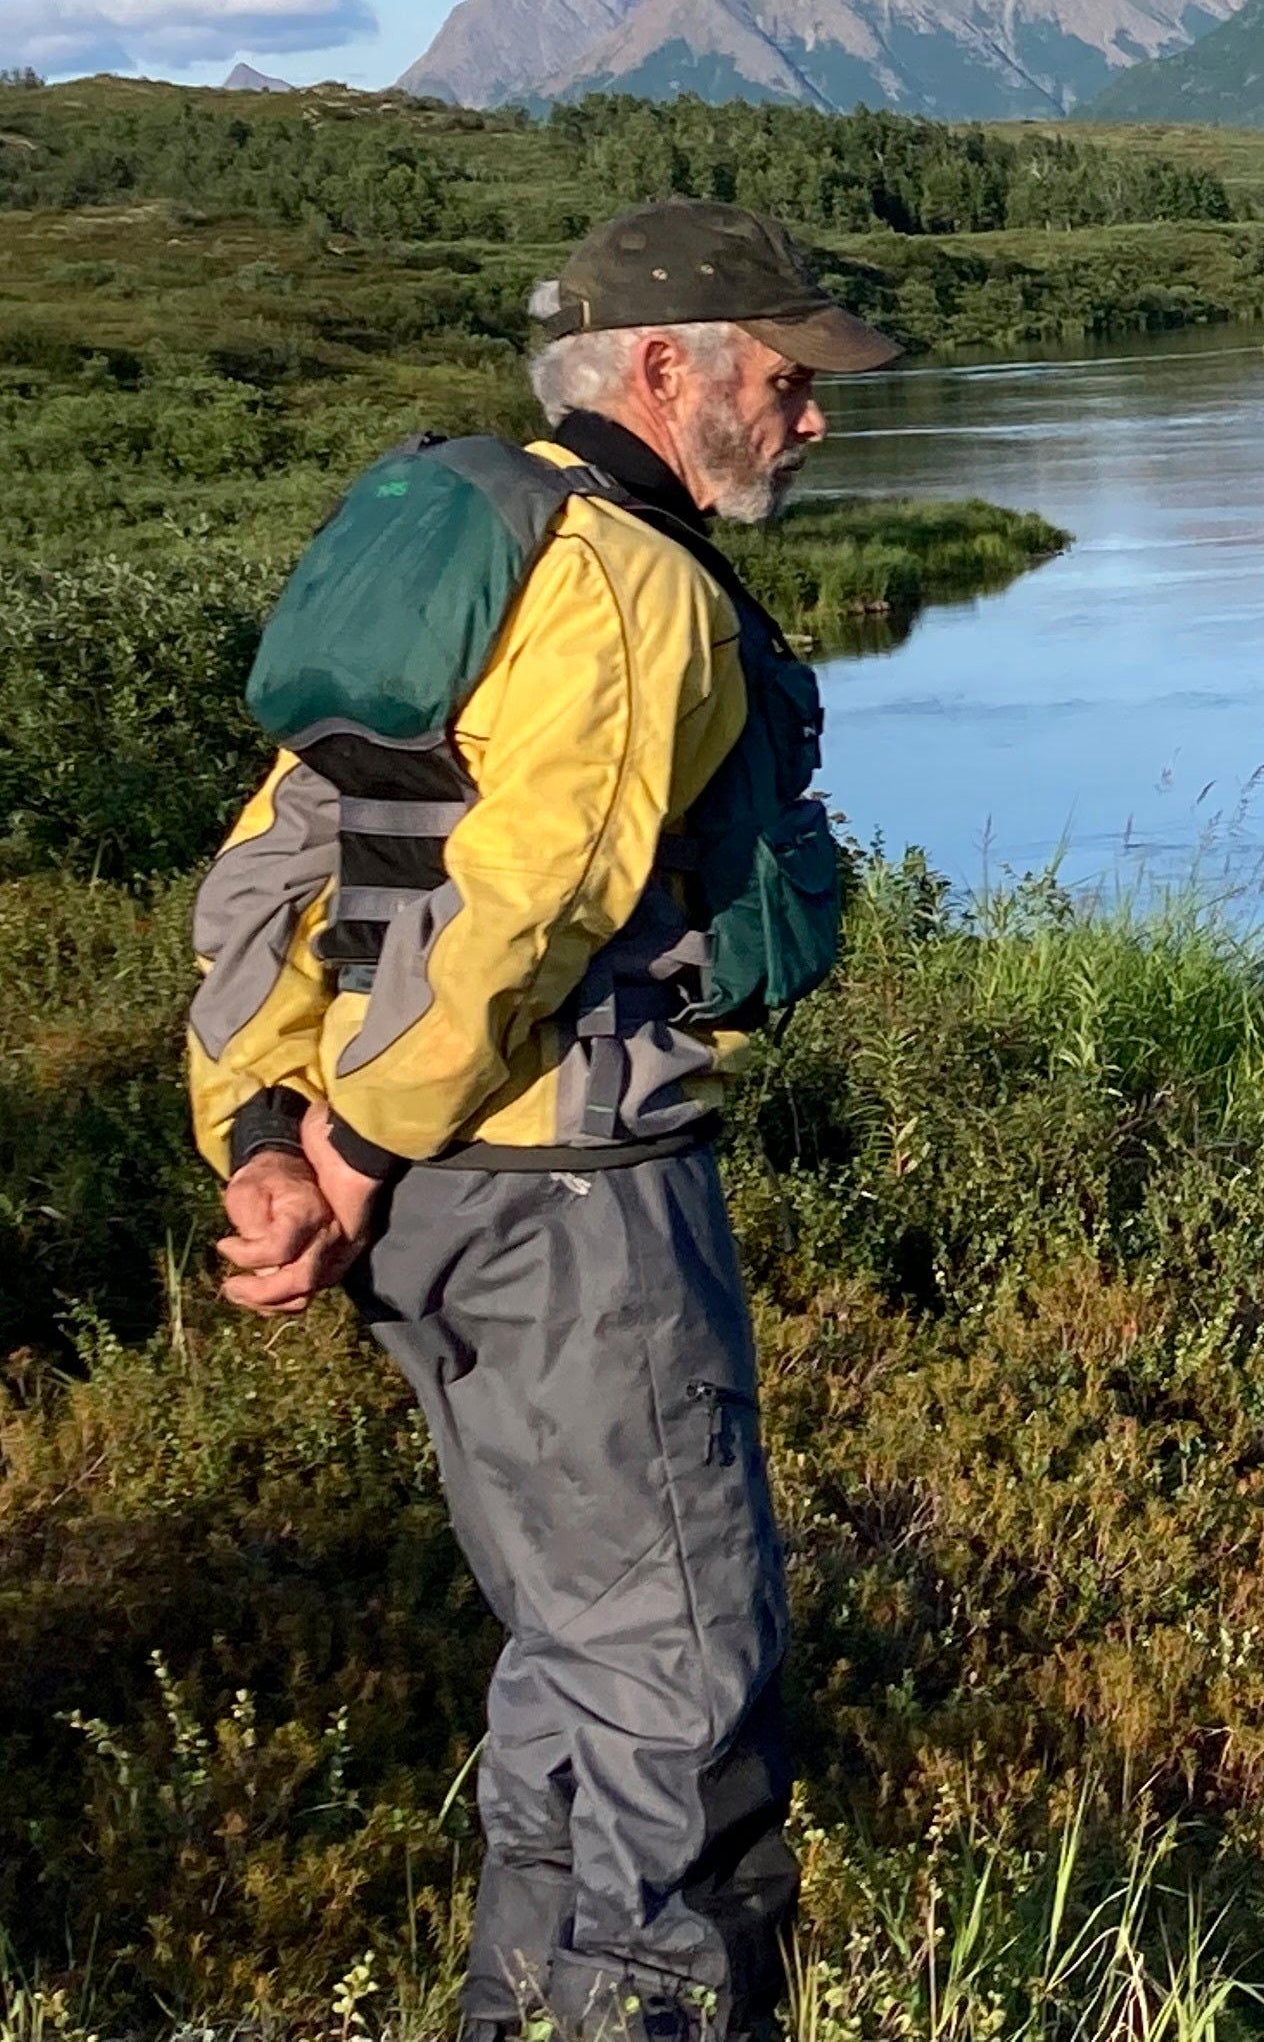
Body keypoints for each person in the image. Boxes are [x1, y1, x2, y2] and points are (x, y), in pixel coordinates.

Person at [183, 198, 900, 2041]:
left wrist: (264, 1141)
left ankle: (522, 2014)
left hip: (423, 1212)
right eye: (786, 380)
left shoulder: (448, 544)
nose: (812, 418)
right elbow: (538, 893)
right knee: (685, 1686)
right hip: (572, 1202)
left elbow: (286, 857)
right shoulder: (633, 583)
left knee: (573, 1664)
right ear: (666, 369)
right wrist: (341, 1149)